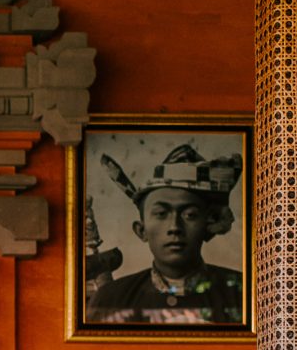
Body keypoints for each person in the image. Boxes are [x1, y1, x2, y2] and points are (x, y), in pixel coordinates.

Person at [87, 139, 245, 325]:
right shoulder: (110, 299)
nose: (174, 227)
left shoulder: (244, 294)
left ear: (209, 225)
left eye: (189, 215)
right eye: (161, 214)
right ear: (141, 230)